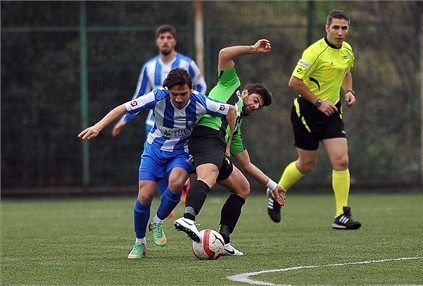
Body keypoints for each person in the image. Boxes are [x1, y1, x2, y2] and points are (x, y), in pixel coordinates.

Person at [78, 68, 237, 259]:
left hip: (182, 150)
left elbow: (232, 110)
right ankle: (140, 243)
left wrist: (227, 145)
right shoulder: (157, 96)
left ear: (191, 89)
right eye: (175, 94)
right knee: (145, 195)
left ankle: (158, 221)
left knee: (177, 182)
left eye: (183, 94)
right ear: (167, 90)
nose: (179, 98)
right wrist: (98, 126)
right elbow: (125, 107)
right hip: (154, 149)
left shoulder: (201, 102)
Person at [173, 39, 286, 256]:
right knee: (209, 174)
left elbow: (247, 164)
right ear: (244, 92)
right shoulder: (230, 84)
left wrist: (274, 186)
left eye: (259, 106)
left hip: (215, 143)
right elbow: (224, 53)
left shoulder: (236, 129)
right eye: (255, 99)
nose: (255, 106)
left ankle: (223, 239)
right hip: (205, 134)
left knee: (243, 187)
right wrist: (252, 50)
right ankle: (188, 218)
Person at [267, 10, 361, 230]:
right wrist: (318, 102)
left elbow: (346, 72)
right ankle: (276, 190)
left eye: (344, 28)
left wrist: (349, 92)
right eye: (335, 27)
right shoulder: (314, 52)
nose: (340, 32)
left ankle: (341, 215)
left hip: (332, 112)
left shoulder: (347, 50)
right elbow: (294, 81)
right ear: (326, 28)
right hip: (307, 112)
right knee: (307, 164)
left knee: (341, 160)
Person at [112, 24, 207, 210]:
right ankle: (167, 203)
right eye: (162, 38)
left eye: (169, 38)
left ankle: (178, 190)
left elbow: (202, 87)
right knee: (158, 163)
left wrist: (195, 110)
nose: (165, 41)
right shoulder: (149, 67)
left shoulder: (187, 64)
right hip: (154, 123)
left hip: (183, 124)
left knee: (179, 161)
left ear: (175, 41)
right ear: (157, 41)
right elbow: (139, 96)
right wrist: (124, 120)